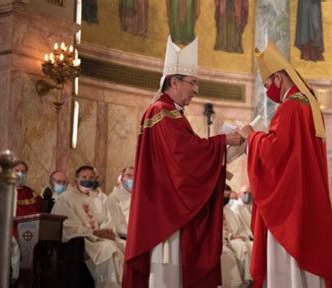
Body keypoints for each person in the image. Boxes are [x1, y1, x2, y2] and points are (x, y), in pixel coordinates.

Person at [123, 35, 244, 288]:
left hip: (166, 204)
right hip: (166, 209)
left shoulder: (166, 111)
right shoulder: (161, 111)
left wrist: (221, 146)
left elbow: (186, 154)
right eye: (193, 83)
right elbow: (183, 156)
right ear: (174, 82)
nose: (196, 89)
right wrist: (222, 141)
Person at [238, 42, 332, 288]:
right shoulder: (309, 104)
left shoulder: (290, 107)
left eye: (268, 85)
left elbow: (274, 155)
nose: (269, 93)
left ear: (278, 78)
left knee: (288, 267)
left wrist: (251, 136)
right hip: (307, 194)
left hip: (288, 204)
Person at [51, 165, 125, 288]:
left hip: (99, 239)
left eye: (91, 178)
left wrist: (107, 232)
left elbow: (107, 221)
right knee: (109, 249)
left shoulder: (97, 199)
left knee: (125, 247)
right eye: (84, 177)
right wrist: (94, 233)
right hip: (84, 241)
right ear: (76, 180)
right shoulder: (65, 198)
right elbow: (67, 226)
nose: (88, 180)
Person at [223, 188, 253, 286]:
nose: (226, 198)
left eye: (228, 196)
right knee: (242, 247)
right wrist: (230, 237)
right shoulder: (215, 209)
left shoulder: (229, 211)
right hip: (226, 240)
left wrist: (239, 236)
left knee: (250, 245)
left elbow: (237, 228)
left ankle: (251, 277)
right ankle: (245, 279)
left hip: (233, 238)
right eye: (225, 196)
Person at [106, 166, 134, 238]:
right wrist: (133, 234)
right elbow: (117, 225)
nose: (132, 179)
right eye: (129, 175)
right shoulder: (113, 198)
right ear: (121, 179)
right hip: (127, 236)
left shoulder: (139, 195)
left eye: (135, 176)